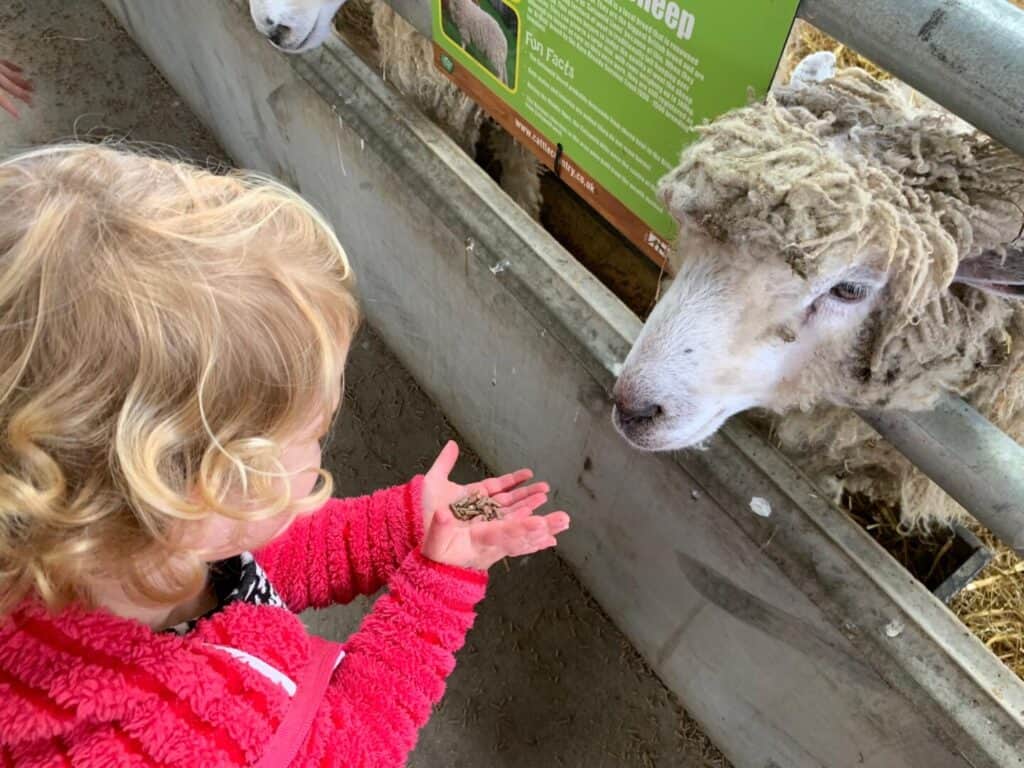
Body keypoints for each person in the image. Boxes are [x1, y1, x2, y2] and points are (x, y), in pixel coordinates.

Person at [0, 143, 570, 767]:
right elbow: (354, 746)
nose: (321, 447)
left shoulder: (108, 551)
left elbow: (254, 561)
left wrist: (405, 521)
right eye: (315, 432)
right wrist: (439, 583)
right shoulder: (193, 744)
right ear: (206, 486)